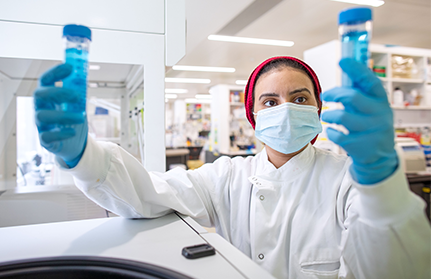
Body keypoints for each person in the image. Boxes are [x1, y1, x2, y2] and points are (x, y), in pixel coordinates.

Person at [34, 56, 431, 278]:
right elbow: (147, 194)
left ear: (318, 109)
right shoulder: (227, 176)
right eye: (271, 102)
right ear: (254, 116)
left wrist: (382, 182)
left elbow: (393, 269)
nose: (287, 110)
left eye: (300, 98)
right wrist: (83, 155)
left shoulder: (349, 179)